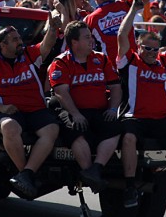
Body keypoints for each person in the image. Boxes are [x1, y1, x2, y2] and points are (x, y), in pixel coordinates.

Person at [0, 15, 62, 198]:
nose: (20, 42)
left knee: (52, 129)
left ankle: (26, 175)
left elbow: (46, 46)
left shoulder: (29, 54)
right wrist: (1, 108)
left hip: (34, 109)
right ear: (3, 45)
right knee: (9, 127)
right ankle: (25, 175)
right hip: (4, 111)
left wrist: (53, 29)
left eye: (20, 38)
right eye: (15, 40)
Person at [117, 0, 166, 209]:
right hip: (135, 117)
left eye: (154, 49)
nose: (151, 52)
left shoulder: (163, 62)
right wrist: (133, 10)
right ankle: (130, 186)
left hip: (158, 119)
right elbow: (122, 35)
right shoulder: (130, 60)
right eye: (147, 48)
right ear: (139, 47)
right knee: (129, 139)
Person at [48, 20, 122, 192]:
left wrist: (113, 109)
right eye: (87, 37)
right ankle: (89, 172)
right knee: (74, 129)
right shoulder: (61, 62)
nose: (92, 41)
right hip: (73, 110)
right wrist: (75, 113)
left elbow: (115, 87)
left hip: (98, 110)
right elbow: (61, 92)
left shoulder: (101, 59)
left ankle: (95, 169)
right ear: (74, 42)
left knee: (115, 127)